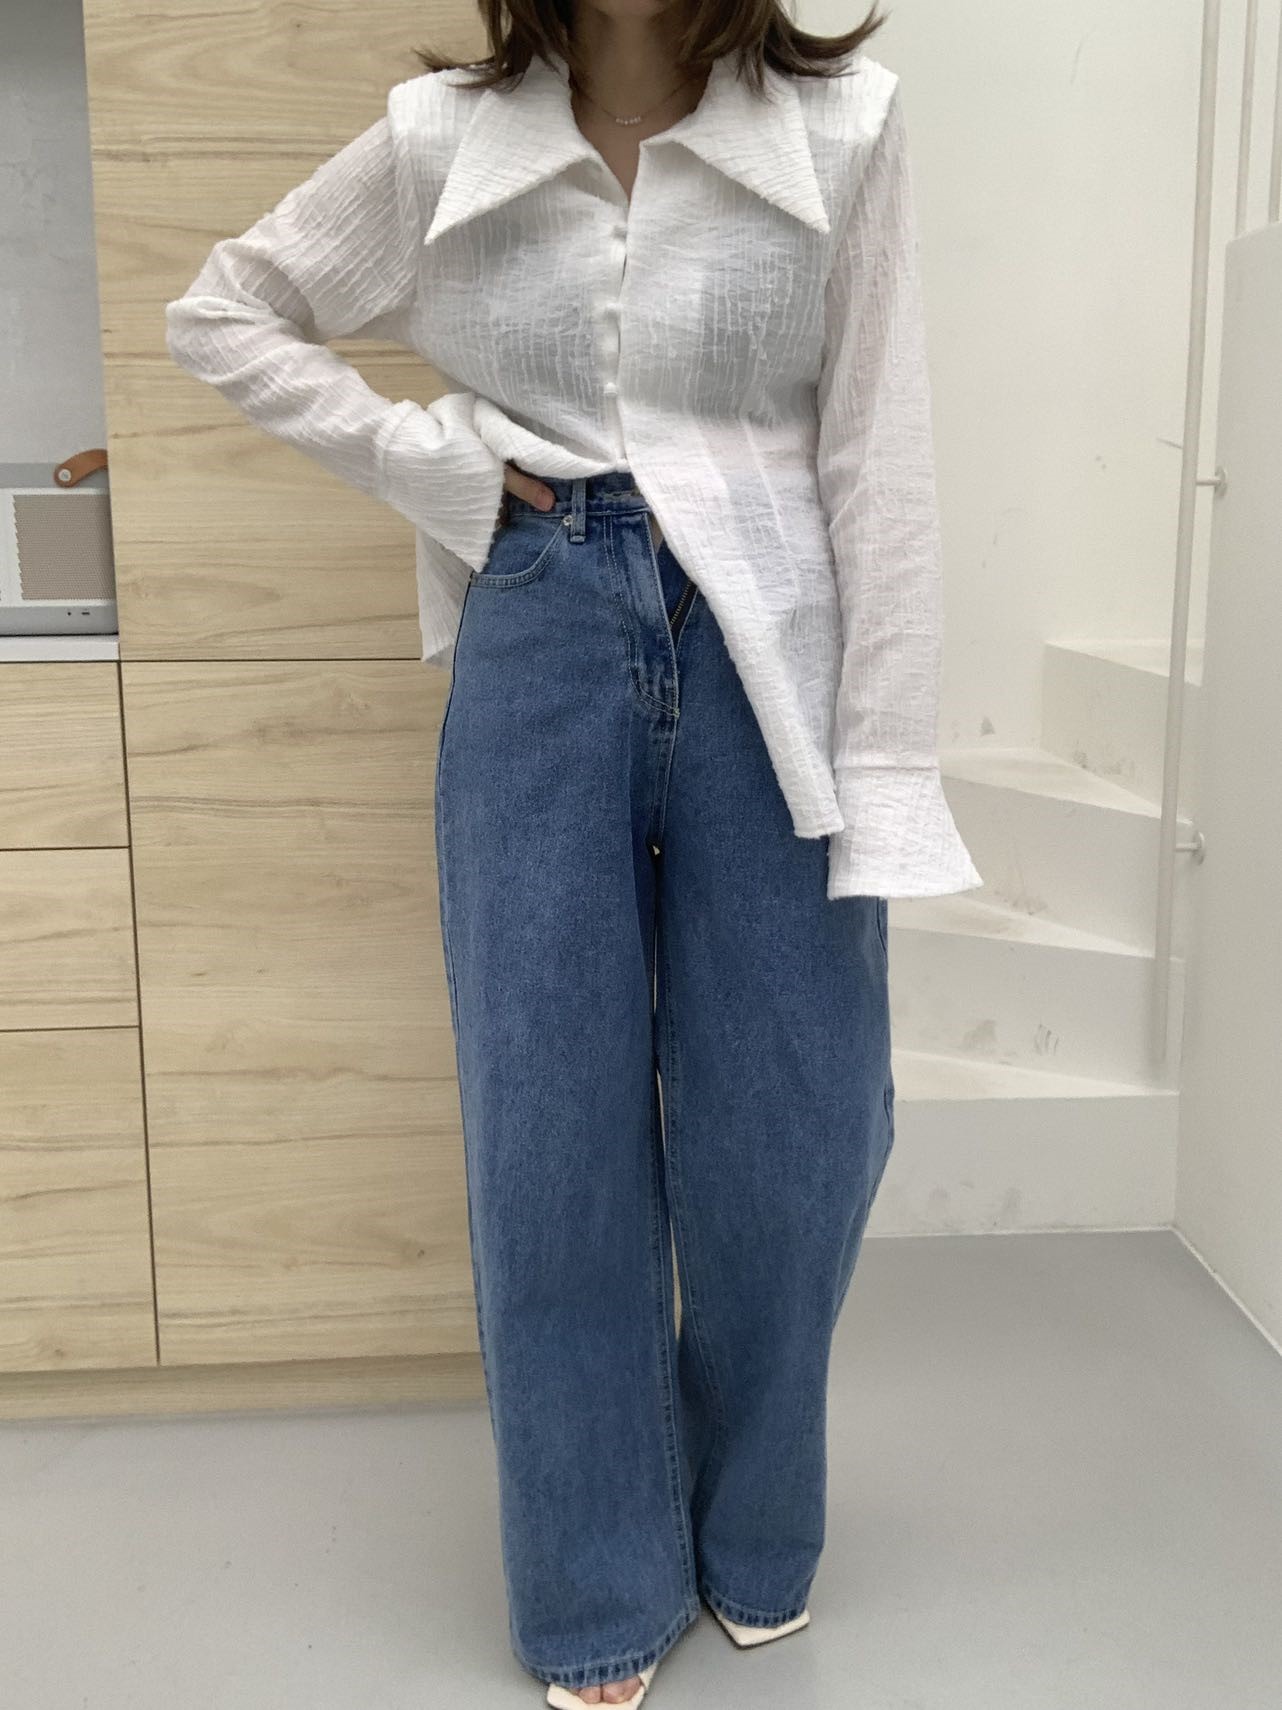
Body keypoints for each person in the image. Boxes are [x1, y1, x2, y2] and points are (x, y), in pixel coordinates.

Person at [164, 0, 984, 1702]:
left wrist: (888, 769)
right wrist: (431, 462)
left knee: (801, 1128)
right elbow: (226, 308)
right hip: (538, 620)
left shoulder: (846, 127)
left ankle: (752, 1518)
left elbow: (878, 460)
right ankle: (598, 1570)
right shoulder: (443, 140)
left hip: (771, 647)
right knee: (550, 1132)